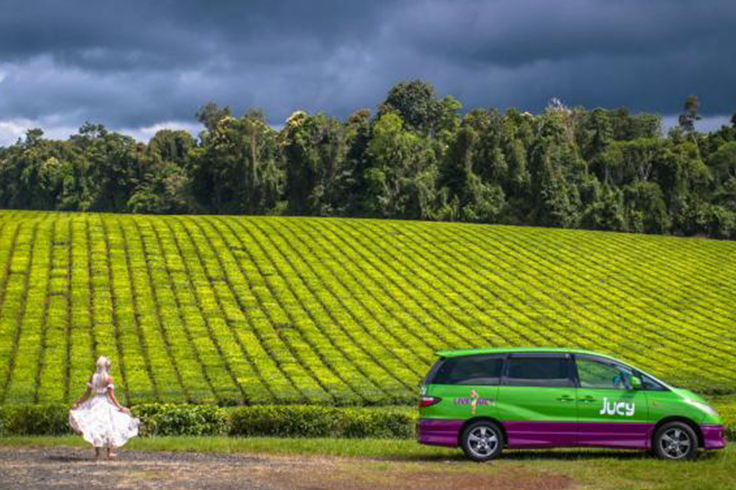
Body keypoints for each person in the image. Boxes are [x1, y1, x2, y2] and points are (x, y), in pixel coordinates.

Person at [69, 356, 140, 460]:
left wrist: (78, 403)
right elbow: (111, 395)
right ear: (106, 366)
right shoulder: (108, 378)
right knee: (110, 426)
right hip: (105, 402)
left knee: (95, 426)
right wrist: (120, 407)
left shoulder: (93, 377)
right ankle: (109, 452)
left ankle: (97, 453)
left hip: (95, 402)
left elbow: (87, 393)